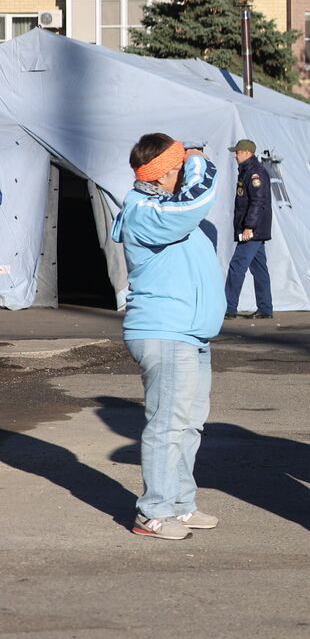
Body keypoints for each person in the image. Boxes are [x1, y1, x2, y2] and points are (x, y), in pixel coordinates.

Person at [111, 135, 223, 540]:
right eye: (177, 168)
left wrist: (187, 163)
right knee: (167, 425)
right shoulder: (144, 209)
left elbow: (187, 208)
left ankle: (179, 504)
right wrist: (197, 162)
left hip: (190, 334)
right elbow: (194, 204)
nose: (184, 175)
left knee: (189, 425)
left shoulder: (166, 207)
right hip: (165, 332)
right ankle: (152, 512)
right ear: (164, 174)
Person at [223, 139, 273, 320]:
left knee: (237, 266)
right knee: (259, 269)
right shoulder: (247, 172)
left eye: (237, 152)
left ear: (246, 153)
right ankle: (265, 308)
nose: (235, 155)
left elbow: (258, 202)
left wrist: (249, 227)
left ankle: (228, 307)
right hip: (255, 229)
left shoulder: (254, 174)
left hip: (253, 230)